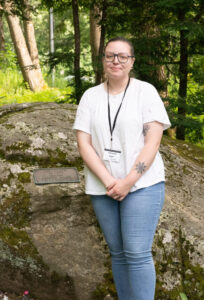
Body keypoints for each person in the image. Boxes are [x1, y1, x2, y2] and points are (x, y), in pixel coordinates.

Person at [73, 37, 171, 300]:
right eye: (110, 55)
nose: (116, 61)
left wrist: (128, 181)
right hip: (102, 186)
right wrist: (108, 180)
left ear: (131, 62)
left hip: (142, 186)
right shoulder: (90, 97)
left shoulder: (145, 92)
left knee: (137, 252)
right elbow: (84, 143)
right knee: (117, 252)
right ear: (103, 60)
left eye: (122, 56)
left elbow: (153, 141)